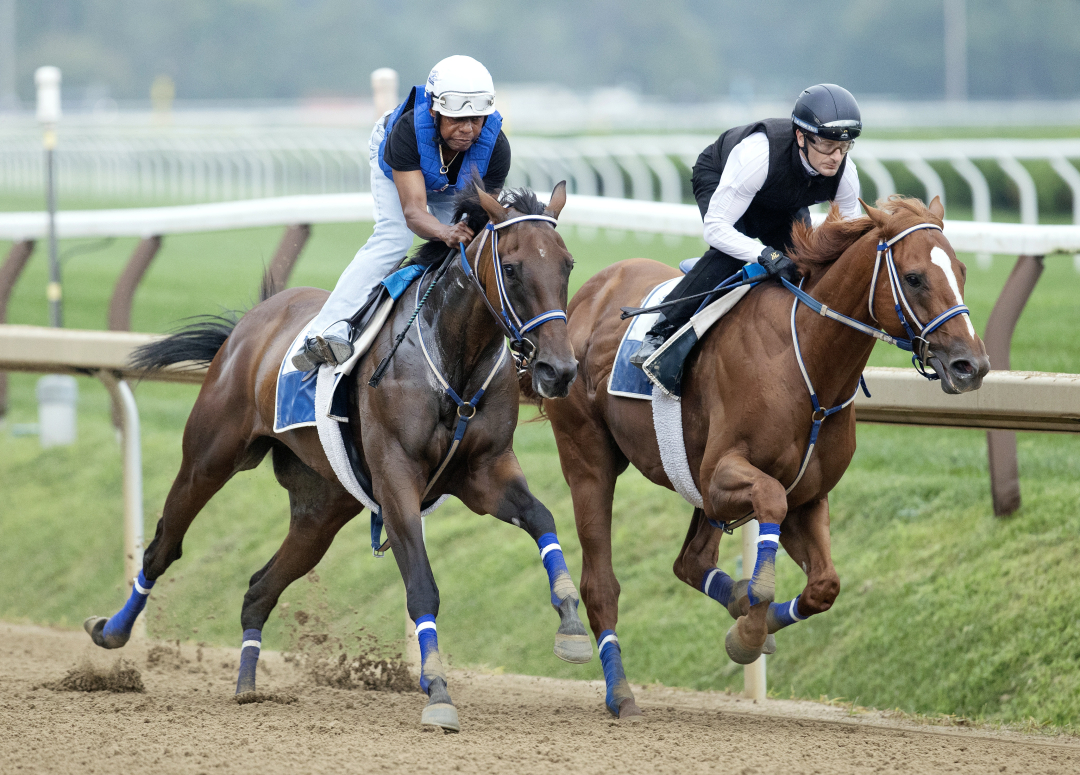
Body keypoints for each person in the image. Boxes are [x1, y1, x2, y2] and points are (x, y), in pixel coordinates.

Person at [292, 55, 511, 371]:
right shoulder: (408, 132)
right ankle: (327, 331)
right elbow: (414, 212)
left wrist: (460, 233)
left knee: (466, 248)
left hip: (450, 183)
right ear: (434, 111)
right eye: (456, 119)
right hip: (397, 161)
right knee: (393, 238)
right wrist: (445, 231)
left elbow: (479, 219)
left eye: (476, 120)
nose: (467, 130)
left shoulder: (496, 148)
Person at [630, 83, 862, 367]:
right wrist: (764, 254)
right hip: (722, 178)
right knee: (730, 253)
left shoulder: (845, 173)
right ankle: (661, 329)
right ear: (801, 136)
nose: (836, 157)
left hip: (780, 199)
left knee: (803, 262)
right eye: (827, 145)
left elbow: (846, 239)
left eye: (844, 146)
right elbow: (717, 228)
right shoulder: (758, 154)